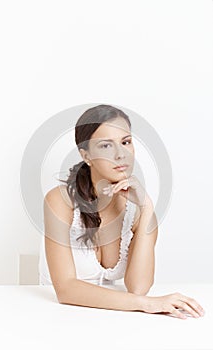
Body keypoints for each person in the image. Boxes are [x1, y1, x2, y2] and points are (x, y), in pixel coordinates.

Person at [39, 104, 205, 320]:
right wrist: (148, 304)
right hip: (51, 316)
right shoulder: (60, 200)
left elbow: (138, 287)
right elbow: (66, 290)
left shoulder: (137, 209)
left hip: (113, 321)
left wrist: (146, 208)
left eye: (126, 142)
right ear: (86, 155)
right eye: (106, 146)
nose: (120, 154)